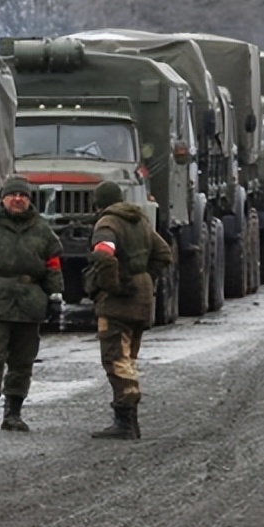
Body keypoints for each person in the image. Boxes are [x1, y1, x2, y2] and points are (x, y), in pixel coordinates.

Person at [0, 175, 64, 433]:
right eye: (13, 195)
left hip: (30, 305)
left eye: (23, 196)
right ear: (3, 198)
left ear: (29, 200)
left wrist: (55, 297)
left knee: (22, 362)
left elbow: (53, 265)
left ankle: (13, 415)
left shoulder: (42, 229)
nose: (18, 199)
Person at [85, 181, 173, 440]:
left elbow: (103, 254)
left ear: (98, 203)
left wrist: (111, 285)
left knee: (114, 358)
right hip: (143, 298)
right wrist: (145, 277)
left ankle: (125, 420)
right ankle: (129, 422)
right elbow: (164, 253)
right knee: (128, 356)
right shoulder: (141, 221)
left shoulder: (107, 224)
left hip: (118, 301)